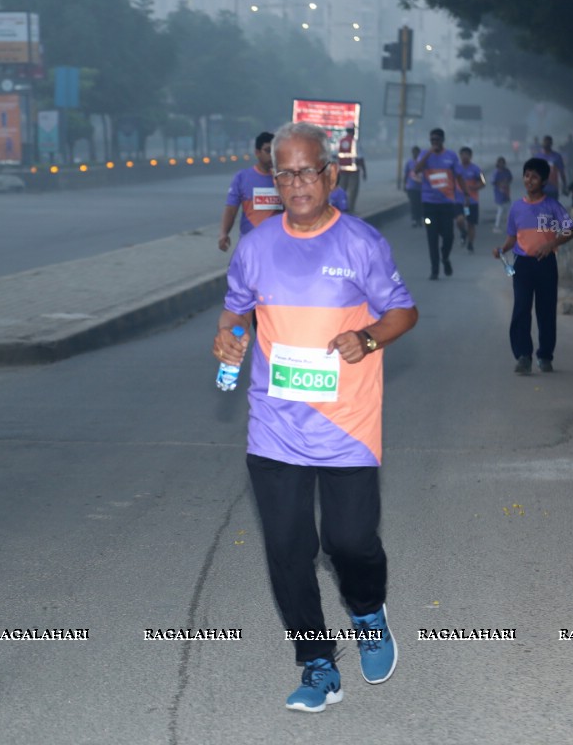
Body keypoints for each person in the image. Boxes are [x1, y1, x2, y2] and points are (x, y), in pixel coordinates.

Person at [212, 121, 418, 713]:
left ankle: (368, 612)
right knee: (287, 548)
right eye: (285, 172)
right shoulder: (255, 246)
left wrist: (369, 339)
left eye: (308, 170)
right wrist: (227, 344)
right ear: (273, 179)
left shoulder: (360, 242)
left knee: (349, 543)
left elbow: (403, 312)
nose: (297, 182)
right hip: (275, 425)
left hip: (347, 425)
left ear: (329, 173)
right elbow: (232, 319)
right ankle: (316, 661)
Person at [492, 158, 573, 374]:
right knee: (521, 309)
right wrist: (502, 249)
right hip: (523, 265)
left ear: (544, 181)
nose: (529, 180)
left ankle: (545, 355)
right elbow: (512, 238)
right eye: (527, 175)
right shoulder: (516, 207)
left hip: (546, 264)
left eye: (535, 177)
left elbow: (569, 230)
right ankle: (523, 356)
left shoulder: (552, 206)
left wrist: (552, 243)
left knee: (546, 311)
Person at [218, 132, 282, 252]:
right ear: (257, 152)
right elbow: (231, 209)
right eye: (268, 151)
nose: (272, 156)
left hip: (277, 244)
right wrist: (224, 233)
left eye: (275, 151)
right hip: (250, 244)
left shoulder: (286, 177)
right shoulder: (242, 177)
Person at [414, 128, 463, 279]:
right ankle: (434, 269)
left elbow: (459, 177)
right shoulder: (424, 154)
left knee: (448, 235)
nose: (434, 142)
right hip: (429, 204)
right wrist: (429, 153)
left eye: (437, 140)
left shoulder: (451, 156)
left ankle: (445, 257)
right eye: (432, 140)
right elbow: (416, 169)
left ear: (442, 140)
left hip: (447, 203)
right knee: (432, 236)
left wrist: (464, 195)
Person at [454, 146, 485, 253]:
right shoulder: (456, 169)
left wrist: (475, 187)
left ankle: (470, 244)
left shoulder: (476, 169)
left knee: (471, 223)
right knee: (459, 220)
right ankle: (463, 232)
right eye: (463, 154)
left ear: (470, 156)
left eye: (467, 154)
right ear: (460, 156)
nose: (465, 157)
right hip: (459, 200)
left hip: (472, 201)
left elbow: (483, 182)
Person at [336, 124, 367, 212]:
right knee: (352, 191)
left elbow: (335, 156)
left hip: (342, 170)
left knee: (341, 189)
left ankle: (340, 208)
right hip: (353, 171)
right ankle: (350, 209)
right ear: (353, 131)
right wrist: (364, 171)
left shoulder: (340, 141)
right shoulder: (355, 142)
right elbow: (360, 158)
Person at [536, 135, 567, 200]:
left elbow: (562, 172)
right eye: (545, 143)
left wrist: (564, 185)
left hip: (553, 188)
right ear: (542, 144)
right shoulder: (538, 156)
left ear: (551, 144)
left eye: (548, 143)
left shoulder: (556, 156)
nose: (546, 145)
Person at [491, 157, 512, 233]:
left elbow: (510, 178)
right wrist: (500, 184)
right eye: (500, 163)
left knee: (508, 210)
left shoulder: (507, 171)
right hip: (499, 193)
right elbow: (493, 182)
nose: (501, 164)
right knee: (501, 210)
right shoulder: (496, 172)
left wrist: (506, 183)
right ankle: (497, 226)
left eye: (503, 162)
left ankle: (508, 226)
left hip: (506, 192)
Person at [403, 145, 422, 227]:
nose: (415, 154)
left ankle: (420, 219)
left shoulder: (422, 162)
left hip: (421, 188)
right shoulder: (409, 163)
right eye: (414, 152)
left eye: (416, 152)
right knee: (413, 204)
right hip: (411, 187)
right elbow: (406, 175)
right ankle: (414, 219)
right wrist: (404, 185)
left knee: (420, 204)